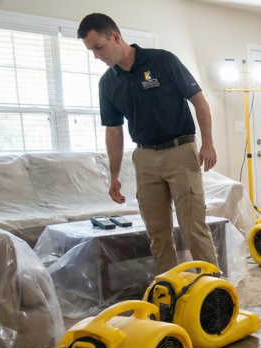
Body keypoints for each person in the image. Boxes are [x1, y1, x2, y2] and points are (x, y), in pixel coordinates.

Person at [78, 13, 218, 274]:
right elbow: (114, 131)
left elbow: (199, 101)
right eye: (91, 51)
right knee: (157, 232)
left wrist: (207, 144)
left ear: (115, 37)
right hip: (144, 158)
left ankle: (214, 292)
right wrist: (114, 175)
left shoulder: (162, 60)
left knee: (193, 226)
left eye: (98, 47)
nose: (97, 56)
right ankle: (169, 289)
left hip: (180, 151)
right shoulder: (107, 83)